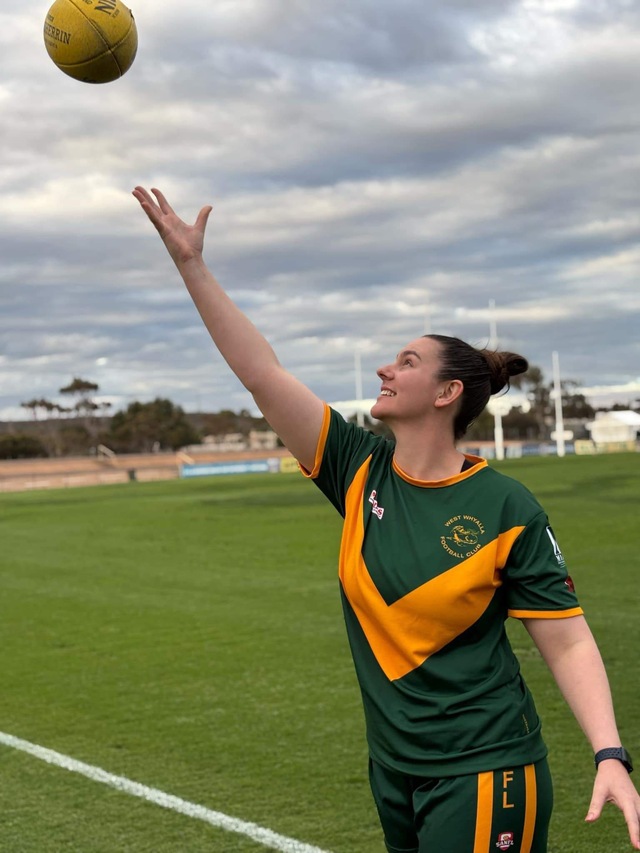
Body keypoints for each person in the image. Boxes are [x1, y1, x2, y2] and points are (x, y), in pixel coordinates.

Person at [132, 186, 640, 853]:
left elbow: (568, 640)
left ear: (447, 392)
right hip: (395, 771)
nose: (384, 367)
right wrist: (192, 266)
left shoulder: (506, 507)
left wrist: (609, 754)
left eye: (406, 361)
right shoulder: (356, 467)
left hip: (486, 770)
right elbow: (260, 372)